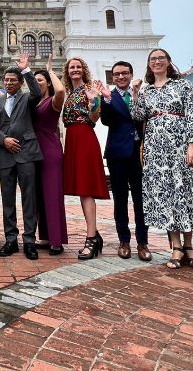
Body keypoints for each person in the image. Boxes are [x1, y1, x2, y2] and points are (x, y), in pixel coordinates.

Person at [130, 48, 193, 270]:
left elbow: (192, 115)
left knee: (185, 192)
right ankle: (176, 247)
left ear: (169, 61)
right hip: (156, 149)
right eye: (153, 59)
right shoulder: (147, 90)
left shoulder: (183, 86)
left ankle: (189, 246)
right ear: (149, 64)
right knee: (167, 195)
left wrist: (192, 143)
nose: (157, 62)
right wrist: (135, 93)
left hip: (180, 146)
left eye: (161, 58)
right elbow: (138, 116)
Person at [0, 52, 43, 260]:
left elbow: (37, 92)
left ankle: (29, 240)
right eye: (6, 80)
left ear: (20, 82)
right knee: (8, 199)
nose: (9, 83)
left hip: (26, 153)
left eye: (13, 80)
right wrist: (3, 139)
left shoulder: (27, 98)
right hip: (5, 154)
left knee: (29, 198)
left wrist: (26, 70)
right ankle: (11, 239)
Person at [100, 61, 151, 262]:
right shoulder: (108, 96)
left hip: (139, 153)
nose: (121, 77)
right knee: (120, 200)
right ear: (112, 77)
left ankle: (143, 242)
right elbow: (106, 121)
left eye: (124, 73)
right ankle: (124, 241)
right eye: (117, 74)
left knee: (141, 200)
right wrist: (106, 100)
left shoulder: (141, 93)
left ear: (131, 74)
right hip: (117, 153)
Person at [62, 57, 110, 260]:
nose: (75, 70)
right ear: (67, 71)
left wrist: (94, 102)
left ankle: (91, 237)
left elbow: (94, 118)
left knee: (86, 189)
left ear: (84, 70)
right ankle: (94, 234)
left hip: (84, 138)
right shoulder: (71, 93)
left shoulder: (90, 90)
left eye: (78, 67)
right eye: (71, 67)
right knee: (82, 190)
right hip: (72, 139)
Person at [33, 55, 67, 255]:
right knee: (40, 195)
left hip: (50, 150)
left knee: (52, 194)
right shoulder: (34, 102)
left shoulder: (53, 101)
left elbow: (61, 90)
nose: (36, 83)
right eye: (34, 80)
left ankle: (57, 240)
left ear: (47, 83)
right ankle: (45, 236)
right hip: (35, 151)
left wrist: (51, 71)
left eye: (40, 80)